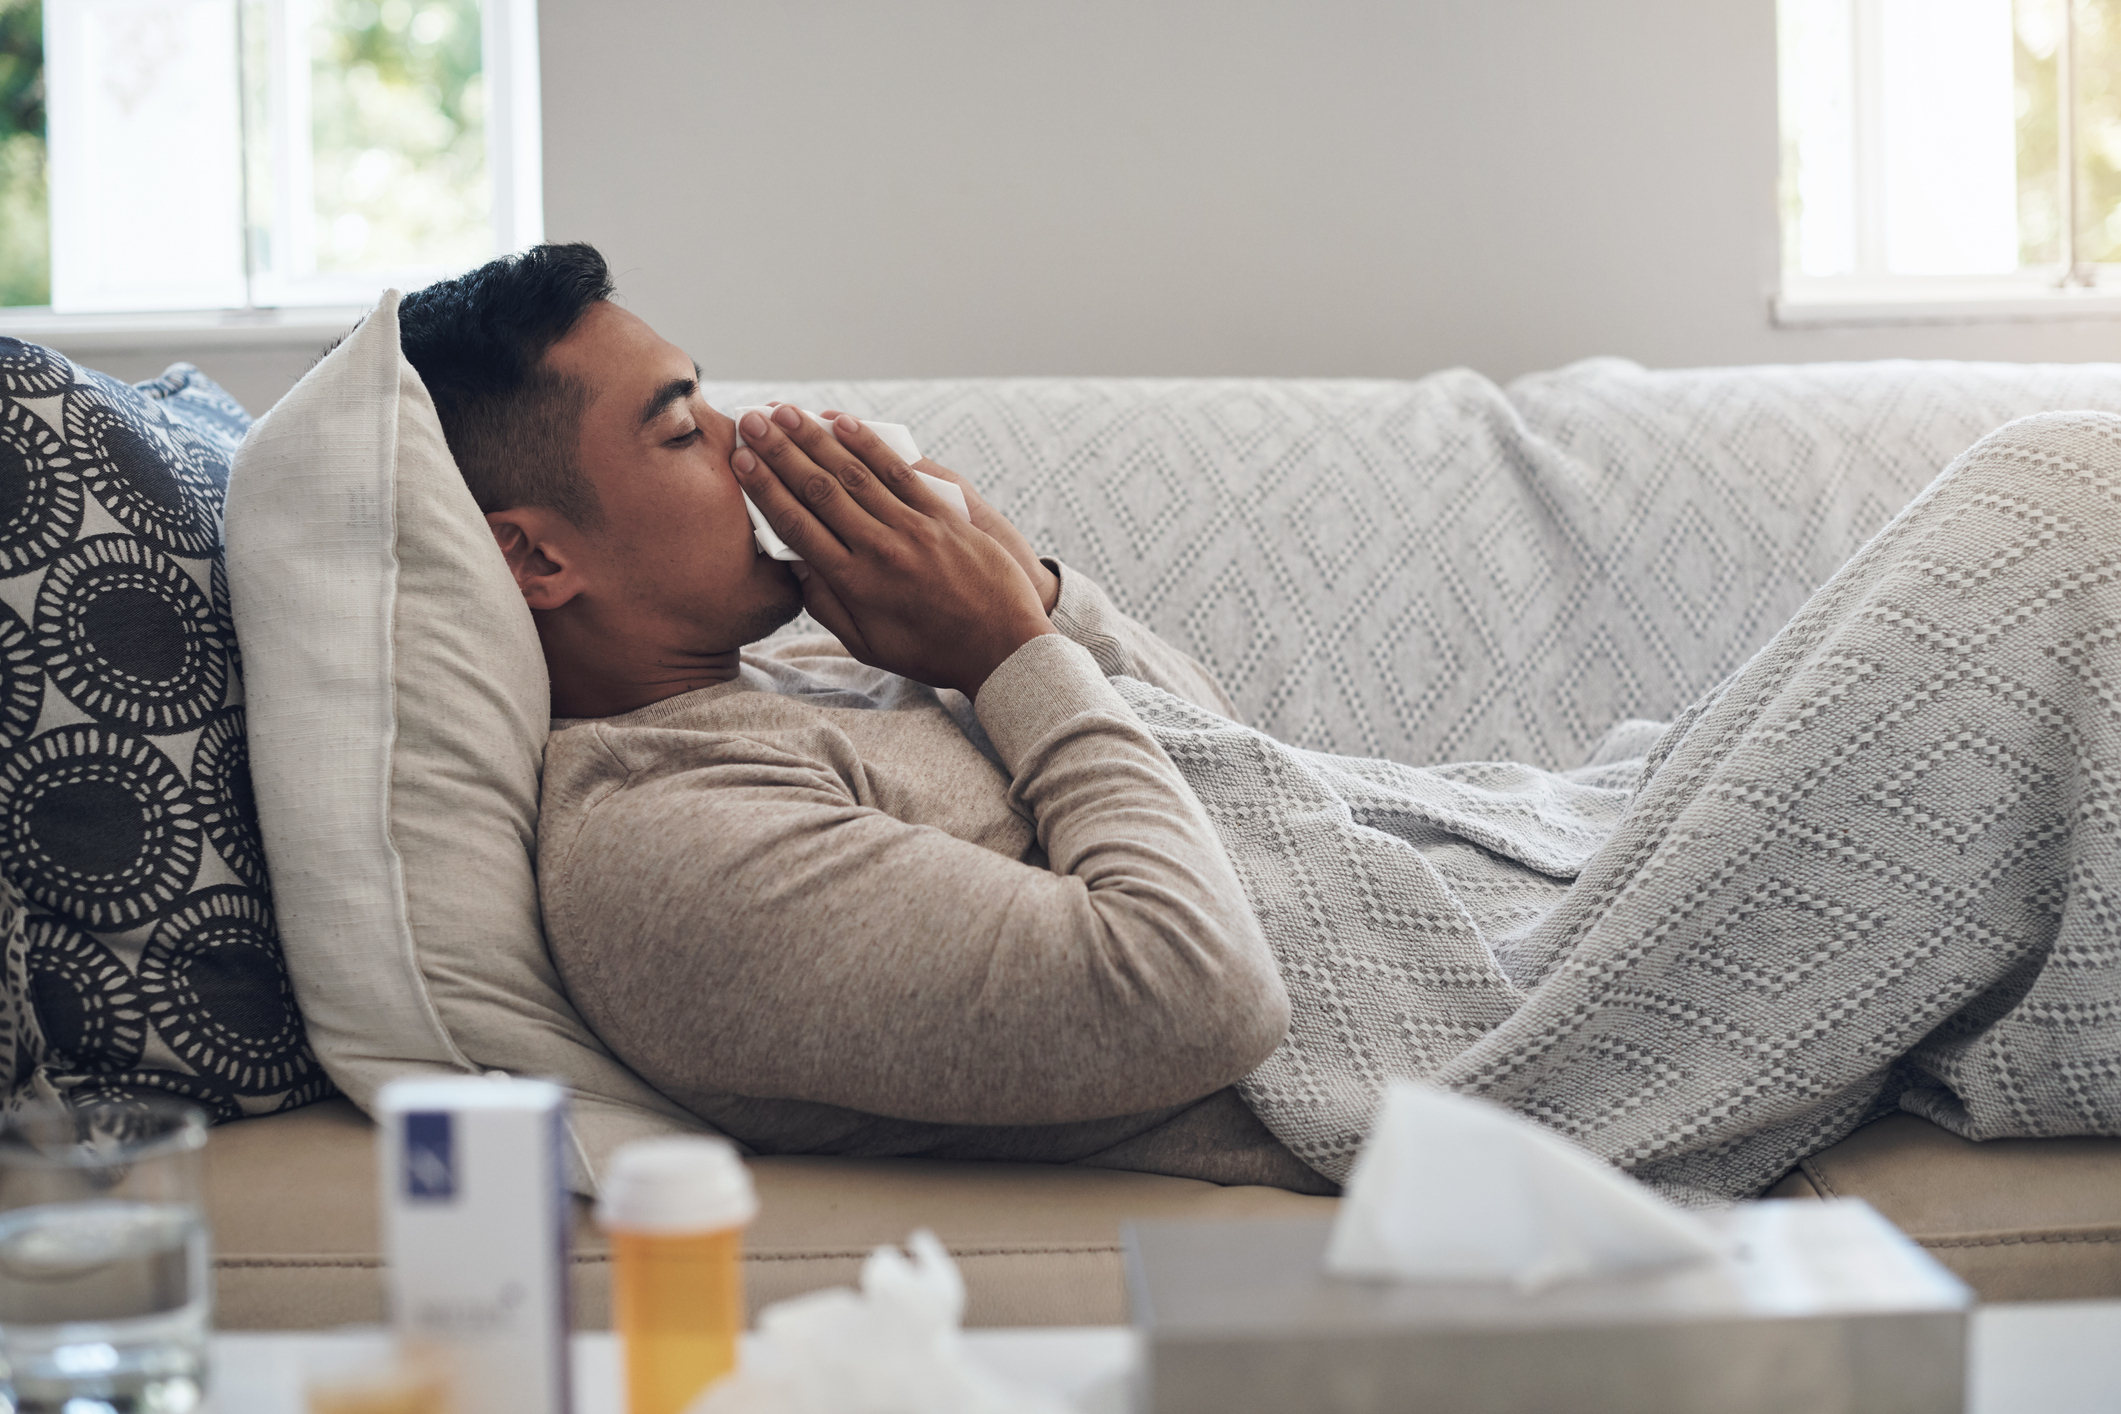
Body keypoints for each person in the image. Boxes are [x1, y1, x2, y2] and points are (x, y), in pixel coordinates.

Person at [400, 244, 2121, 1203]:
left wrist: (1022, 595)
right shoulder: (665, 853)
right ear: (537, 554)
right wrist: (1002, 654)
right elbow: (1188, 986)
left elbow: (1209, 758)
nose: (749, 437)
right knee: (2050, 500)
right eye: (683, 427)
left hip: (1534, 858)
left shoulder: (801, 678)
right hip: (1499, 1030)